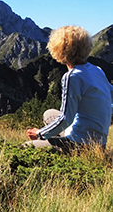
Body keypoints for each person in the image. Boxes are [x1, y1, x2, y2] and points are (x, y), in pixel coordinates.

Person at [25, 25, 113, 153]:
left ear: (58, 50)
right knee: (49, 114)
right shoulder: (97, 70)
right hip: (100, 143)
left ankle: (59, 143)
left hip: (80, 144)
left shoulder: (72, 77)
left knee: (25, 148)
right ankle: (56, 137)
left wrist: (39, 133)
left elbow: (66, 119)